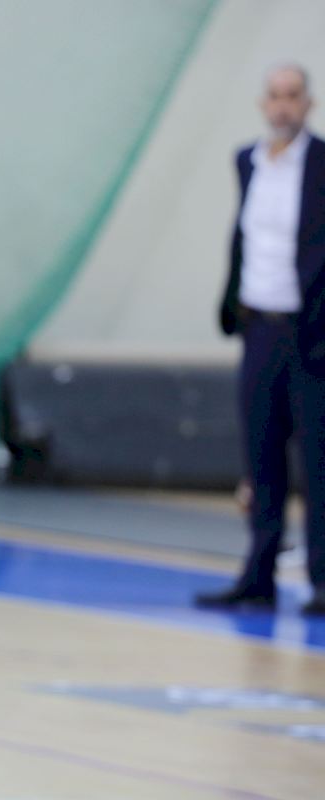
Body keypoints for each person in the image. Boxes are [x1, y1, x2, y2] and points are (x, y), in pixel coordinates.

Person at [196, 63, 325, 616]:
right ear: (262, 103)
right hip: (258, 329)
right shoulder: (247, 161)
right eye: (274, 96)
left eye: (292, 96)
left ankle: (322, 579)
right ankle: (258, 574)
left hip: (310, 335)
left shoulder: (321, 164)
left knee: (317, 460)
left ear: (308, 102)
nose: (282, 106)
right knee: (261, 453)